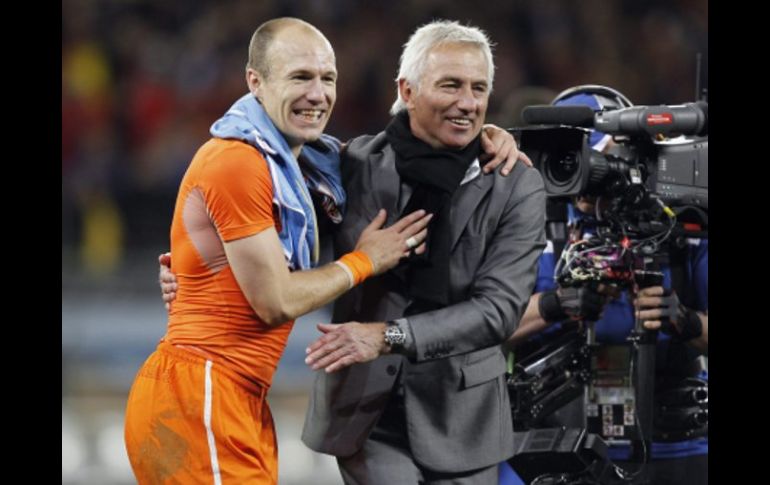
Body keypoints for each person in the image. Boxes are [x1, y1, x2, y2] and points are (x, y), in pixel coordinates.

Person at [138, 17, 524, 484]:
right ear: (254, 82)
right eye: (300, 76)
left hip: (233, 395)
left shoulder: (296, 164)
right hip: (200, 394)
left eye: (328, 79)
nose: (318, 94)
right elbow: (275, 301)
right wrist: (364, 261)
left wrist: (486, 131)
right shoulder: (239, 160)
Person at [300, 20, 546, 484]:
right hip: (365, 414)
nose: (468, 103)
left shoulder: (516, 185)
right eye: (450, 85)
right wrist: (195, 271)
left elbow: (497, 312)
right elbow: (261, 203)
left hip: (463, 418)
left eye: (479, 89)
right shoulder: (353, 165)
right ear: (407, 91)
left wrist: (386, 335)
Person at [502, 86, 708, 485]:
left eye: (597, 157)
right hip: (556, 446)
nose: (584, 175)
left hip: (678, 446)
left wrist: (686, 322)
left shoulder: (683, 224)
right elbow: (479, 331)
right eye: (569, 160)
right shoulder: (526, 223)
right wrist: (554, 305)